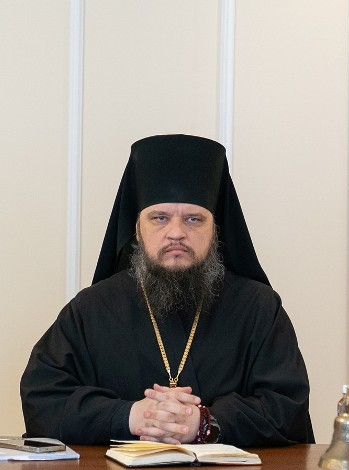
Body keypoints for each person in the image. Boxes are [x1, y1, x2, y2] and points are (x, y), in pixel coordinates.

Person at [21, 134, 313, 447]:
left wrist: (205, 423)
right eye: (159, 218)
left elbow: (287, 407)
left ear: (215, 229)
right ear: (137, 228)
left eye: (193, 219)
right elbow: (43, 398)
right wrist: (130, 416)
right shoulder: (91, 309)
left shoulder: (259, 308)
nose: (176, 233)